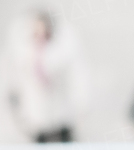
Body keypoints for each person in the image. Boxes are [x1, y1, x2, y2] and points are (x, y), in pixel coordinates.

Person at [6, 9, 89, 143]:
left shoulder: (62, 51)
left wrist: (78, 109)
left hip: (62, 115)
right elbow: (17, 85)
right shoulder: (25, 53)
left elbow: (76, 80)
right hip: (37, 118)